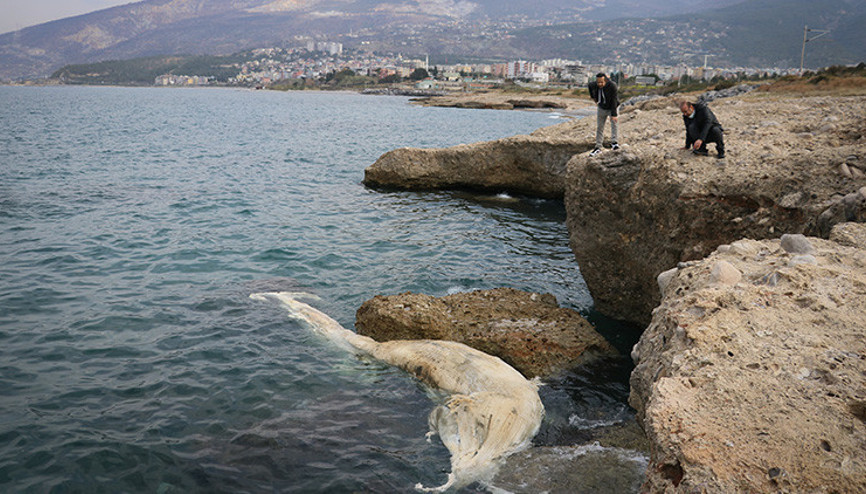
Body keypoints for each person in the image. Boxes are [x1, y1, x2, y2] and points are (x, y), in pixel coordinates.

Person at [587, 72, 619, 156]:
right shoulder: (594, 85)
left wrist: (614, 114)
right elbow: (590, 86)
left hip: (612, 106)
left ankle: (614, 143)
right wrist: (594, 98)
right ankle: (598, 147)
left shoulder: (612, 85)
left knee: (614, 124)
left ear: (606, 80)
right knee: (600, 127)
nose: (599, 84)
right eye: (598, 82)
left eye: (601, 82)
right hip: (601, 107)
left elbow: (614, 100)